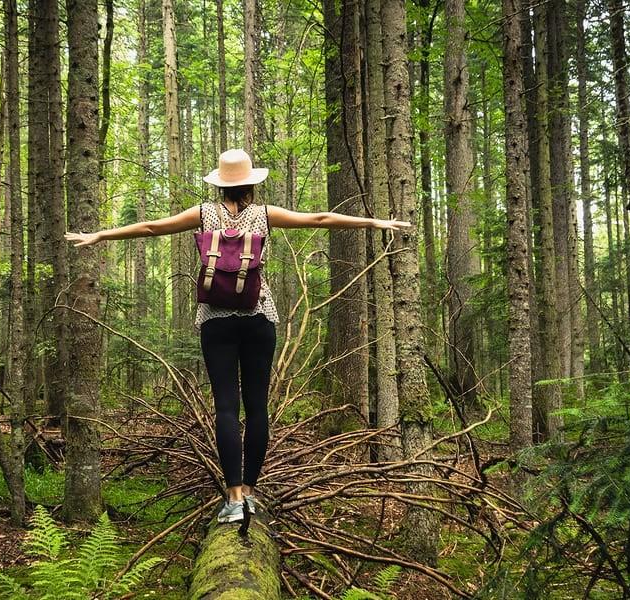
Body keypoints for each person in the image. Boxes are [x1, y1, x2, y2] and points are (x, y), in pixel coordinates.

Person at [65, 148, 411, 524]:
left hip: (215, 319)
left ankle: (232, 499)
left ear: (220, 183)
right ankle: (250, 492)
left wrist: (99, 235)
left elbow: (150, 227)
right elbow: (321, 218)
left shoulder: (202, 214)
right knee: (257, 406)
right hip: (258, 315)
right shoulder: (264, 215)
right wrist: (375, 223)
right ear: (251, 183)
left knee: (226, 407)